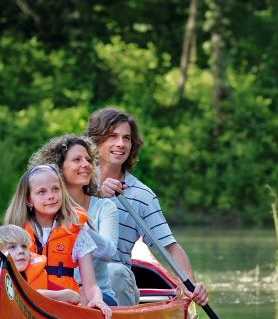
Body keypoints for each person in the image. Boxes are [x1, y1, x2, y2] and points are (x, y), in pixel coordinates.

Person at [84, 107, 208, 307]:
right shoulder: (73, 181)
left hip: (114, 284)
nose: (120, 144)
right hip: (71, 278)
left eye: (126, 138)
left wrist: (191, 285)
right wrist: (94, 190)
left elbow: (169, 247)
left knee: (114, 271)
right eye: (112, 136)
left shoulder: (142, 196)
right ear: (95, 140)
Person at [3, 164, 112, 319]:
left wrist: (96, 299)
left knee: (80, 295)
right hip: (23, 304)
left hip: (64, 305)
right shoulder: (14, 234)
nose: (51, 196)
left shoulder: (77, 234)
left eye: (55, 189)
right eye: (42, 192)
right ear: (28, 200)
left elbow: (91, 285)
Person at [28, 134, 121, 306]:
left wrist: (78, 224)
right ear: (58, 168)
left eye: (88, 159)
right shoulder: (42, 211)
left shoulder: (105, 207)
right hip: (46, 294)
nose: (86, 164)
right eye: (77, 160)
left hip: (94, 295)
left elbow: (110, 253)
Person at [0, 224, 81, 311]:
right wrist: (0, 289)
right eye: (12, 247)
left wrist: (40, 294)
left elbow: (74, 297)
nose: (21, 251)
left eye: (24, 247)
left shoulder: (36, 276)